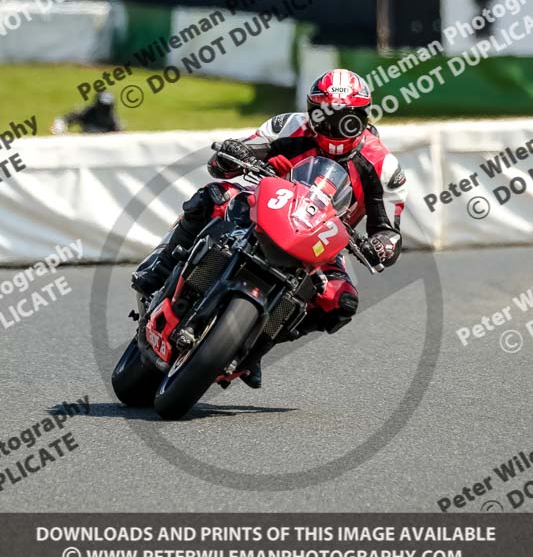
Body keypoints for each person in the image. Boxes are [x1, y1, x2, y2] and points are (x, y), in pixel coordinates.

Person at [132, 69, 407, 388]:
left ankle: (255, 347)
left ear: (363, 116)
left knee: (341, 302)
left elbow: (389, 230)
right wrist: (231, 156)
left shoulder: (384, 166)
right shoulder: (288, 127)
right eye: (325, 115)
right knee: (214, 195)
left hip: (319, 244)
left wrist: (382, 246)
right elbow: (232, 156)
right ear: (311, 111)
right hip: (263, 208)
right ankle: (161, 263)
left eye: (346, 118)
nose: (333, 126)